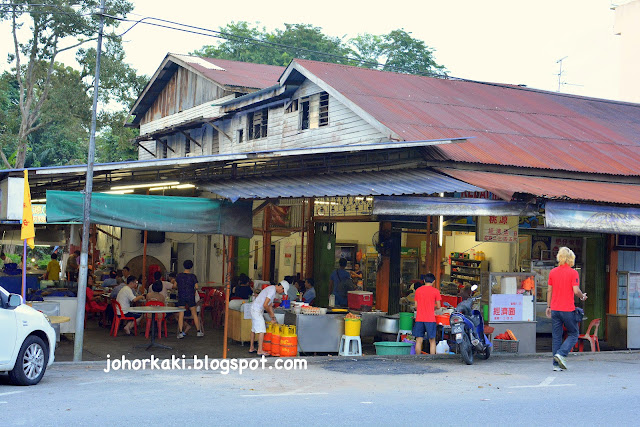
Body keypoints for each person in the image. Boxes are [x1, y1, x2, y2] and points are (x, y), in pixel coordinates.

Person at [546, 247, 587, 371]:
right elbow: (576, 290)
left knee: (556, 336)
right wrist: (582, 296)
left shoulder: (553, 272)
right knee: (574, 333)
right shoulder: (573, 273)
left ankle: (555, 365)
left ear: (559, 257)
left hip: (555, 308)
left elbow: (549, 290)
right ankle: (561, 354)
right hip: (568, 309)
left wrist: (548, 306)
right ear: (571, 259)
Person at [249, 281, 287, 355]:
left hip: (255, 309)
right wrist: (271, 315)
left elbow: (269, 305)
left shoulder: (272, 289)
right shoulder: (272, 291)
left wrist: (272, 317)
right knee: (262, 330)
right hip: (256, 310)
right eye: (282, 290)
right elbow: (265, 305)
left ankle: (251, 348)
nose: (282, 292)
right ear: (281, 287)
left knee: (253, 329)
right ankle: (260, 350)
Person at [412, 273, 441, 355]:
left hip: (419, 318)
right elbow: (438, 306)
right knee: (432, 341)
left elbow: (416, 306)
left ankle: (417, 358)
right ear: (434, 281)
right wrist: (433, 307)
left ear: (424, 280)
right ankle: (432, 359)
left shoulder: (418, 290)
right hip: (430, 319)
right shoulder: (436, 291)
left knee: (419, 340)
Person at [176, 260, 203, 338]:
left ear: (183, 265)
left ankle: (180, 332)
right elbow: (197, 287)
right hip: (190, 295)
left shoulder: (179, 276)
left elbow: (175, 285)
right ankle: (198, 331)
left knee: (181, 313)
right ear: (191, 267)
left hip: (181, 295)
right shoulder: (193, 276)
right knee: (194, 313)